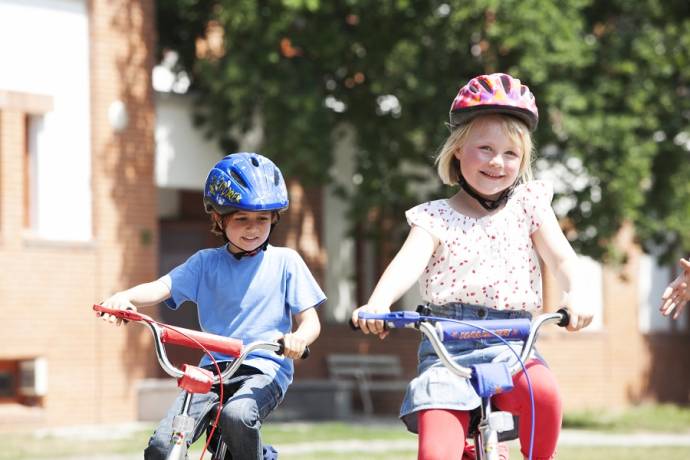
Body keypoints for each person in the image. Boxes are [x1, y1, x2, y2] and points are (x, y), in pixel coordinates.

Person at [352, 73, 593, 460]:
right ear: (458, 151)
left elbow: (562, 258)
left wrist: (576, 294)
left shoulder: (529, 206)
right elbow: (406, 264)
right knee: (437, 450)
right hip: (447, 343)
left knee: (542, 392)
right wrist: (377, 303)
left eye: (511, 154)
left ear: (524, 160)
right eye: (485, 148)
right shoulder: (435, 218)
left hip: (513, 340)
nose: (498, 162)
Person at [99, 152, 325, 460]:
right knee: (163, 447)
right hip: (212, 371)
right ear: (219, 218)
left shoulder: (286, 262)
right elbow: (161, 287)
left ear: (274, 218)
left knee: (237, 414)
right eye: (241, 218)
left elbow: (311, 321)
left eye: (262, 219)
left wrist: (297, 339)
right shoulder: (205, 263)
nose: (253, 228)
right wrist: (125, 297)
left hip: (264, 369)